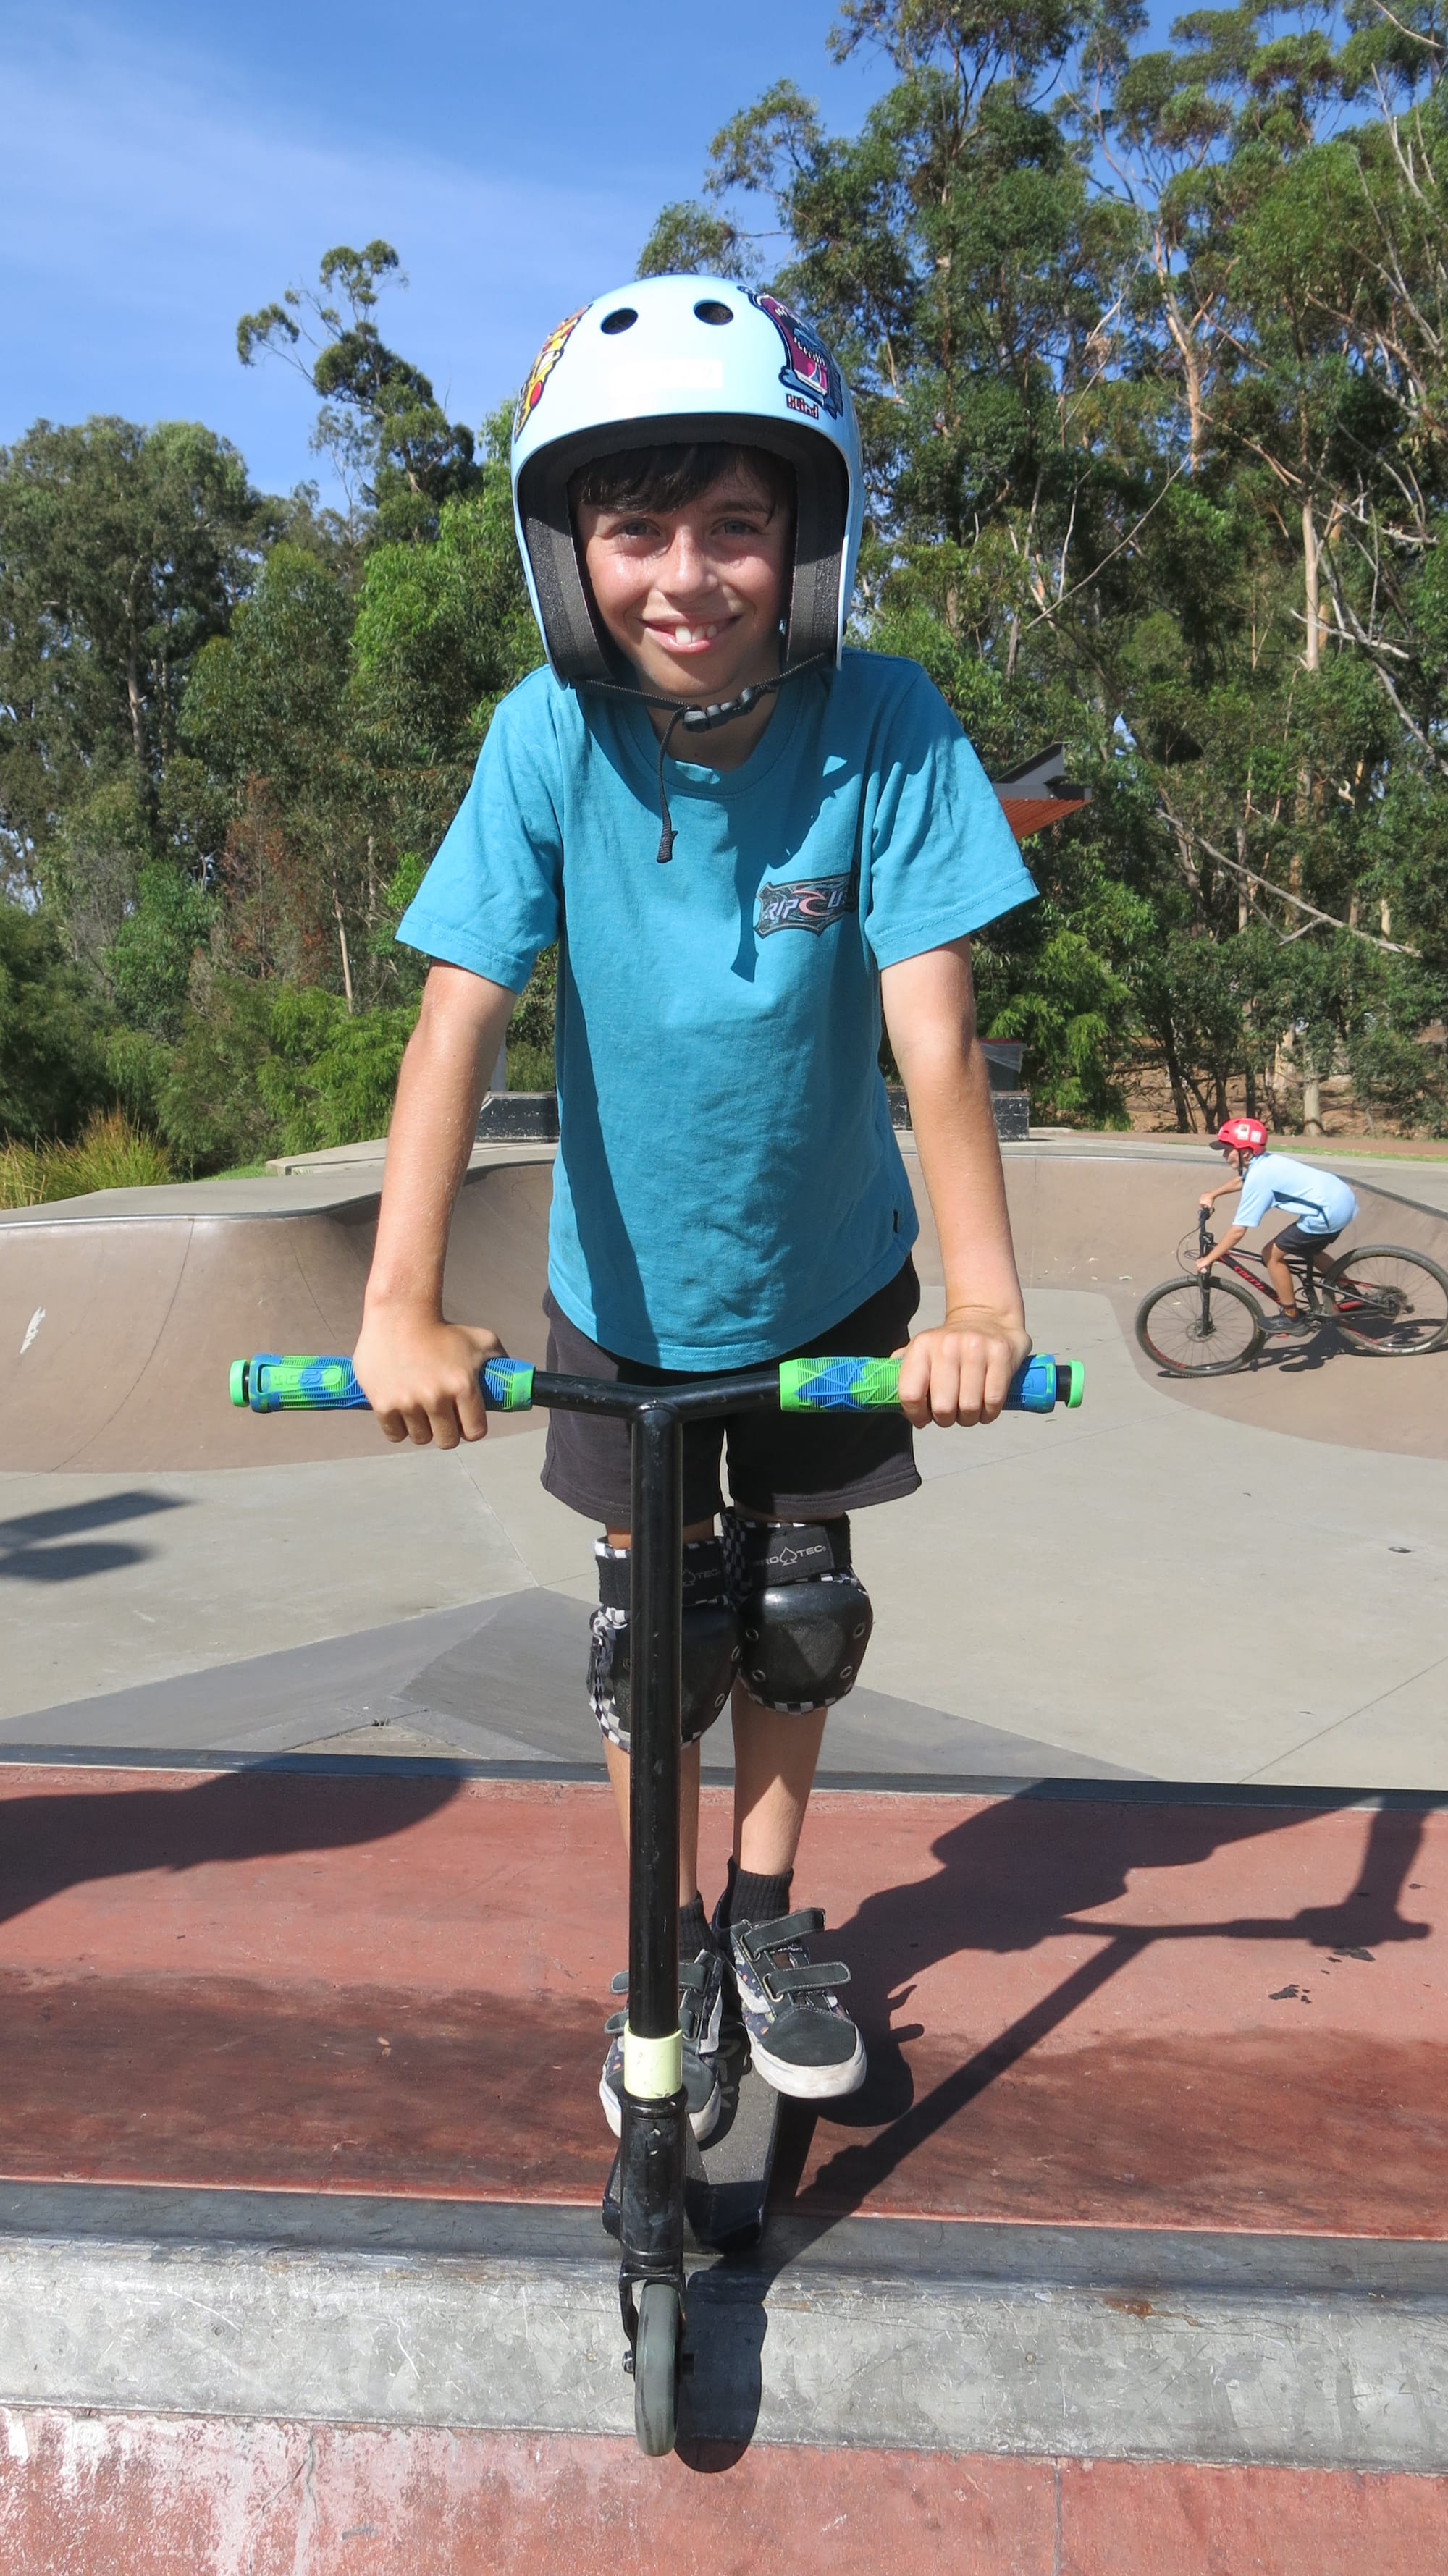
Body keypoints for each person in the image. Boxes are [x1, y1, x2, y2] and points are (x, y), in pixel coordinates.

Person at [351, 274, 1038, 2140]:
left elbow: (937, 1041)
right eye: (635, 526)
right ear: (568, 550)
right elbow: (455, 1015)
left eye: (734, 524)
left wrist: (975, 1301)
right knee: (651, 1643)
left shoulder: (885, 723)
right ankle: (654, 1936)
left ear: (800, 536)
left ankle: (762, 1917)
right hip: (620, 1293)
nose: (685, 573)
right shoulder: (539, 740)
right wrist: (396, 1300)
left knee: (800, 1612)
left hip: (823, 1271)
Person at [1197, 1117, 1358, 1333]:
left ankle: (1291, 1317)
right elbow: (1243, 1180)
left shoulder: (1260, 1177)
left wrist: (1209, 1258)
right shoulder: (1265, 1162)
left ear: (1245, 1152)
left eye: (1228, 1150)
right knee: (1308, 1247)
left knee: (1270, 1255)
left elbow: (1238, 1231)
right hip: (1341, 1201)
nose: (1224, 1155)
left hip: (1327, 1214)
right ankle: (1351, 1292)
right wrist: (1214, 1194)